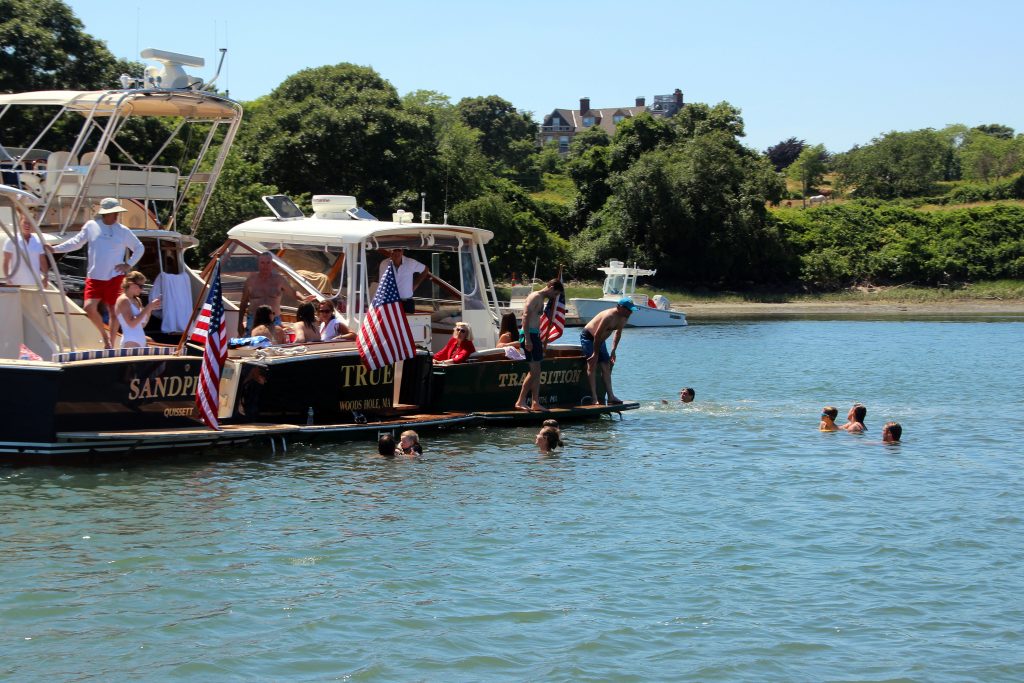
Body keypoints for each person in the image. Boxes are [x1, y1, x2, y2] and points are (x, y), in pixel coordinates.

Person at [47, 197, 144, 349]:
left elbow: (139, 247)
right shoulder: (91, 226)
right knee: (88, 308)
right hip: (94, 277)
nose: (116, 215)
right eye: (113, 213)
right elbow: (76, 242)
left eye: (117, 212)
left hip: (114, 277)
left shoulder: (123, 231)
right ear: (105, 214)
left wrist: (128, 264)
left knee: (113, 311)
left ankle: (110, 344)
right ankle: (104, 337)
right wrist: (54, 249)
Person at [514, 278, 565, 411]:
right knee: (534, 371)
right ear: (551, 287)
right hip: (529, 335)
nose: (554, 297)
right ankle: (520, 401)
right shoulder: (535, 296)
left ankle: (535, 402)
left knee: (537, 371)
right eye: (555, 294)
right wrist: (527, 339)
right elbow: (525, 316)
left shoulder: (541, 299)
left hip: (535, 335)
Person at [579, 297, 637, 406]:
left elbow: (618, 333)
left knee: (606, 366)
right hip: (589, 337)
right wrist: (595, 354)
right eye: (629, 310)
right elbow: (597, 335)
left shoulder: (624, 317)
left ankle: (611, 396)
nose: (631, 312)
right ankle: (594, 398)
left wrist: (613, 350)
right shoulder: (609, 316)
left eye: (631, 310)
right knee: (592, 364)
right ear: (620, 307)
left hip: (601, 340)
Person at [238, 251, 295, 336]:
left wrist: (303, 298)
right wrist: (239, 324)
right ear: (258, 264)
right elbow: (243, 303)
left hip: (274, 319)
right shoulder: (250, 281)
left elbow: (294, 293)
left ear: (272, 264)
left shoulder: (279, 280)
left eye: (268, 263)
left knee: (275, 342)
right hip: (254, 320)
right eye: (262, 263)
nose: (265, 266)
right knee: (252, 343)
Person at [114, 271, 161, 348]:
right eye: (141, 286)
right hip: (130, 340)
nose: (142, 289)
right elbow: (131, 323)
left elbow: (142, 324)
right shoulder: (123, 300)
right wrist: (148, 307)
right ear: (131, 284)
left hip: (140, 339)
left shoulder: (137, 300)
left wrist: (150, 309)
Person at [378, 248, 430, 313]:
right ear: (390, 251)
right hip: (389, 301)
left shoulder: (410, 263)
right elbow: (382, 283)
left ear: (402, 251)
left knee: (409, 319)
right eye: (394, 250)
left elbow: (425, 269)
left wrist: (415, 285)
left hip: (407, 302)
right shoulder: (384, 264)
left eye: (399, 250)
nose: (397, 253)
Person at [3, 211, 47, 286]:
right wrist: (7, 278)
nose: (27, 225)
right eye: (25, 222)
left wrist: (46, 276)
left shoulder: (38, 241)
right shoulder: (11, 240)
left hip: (35, 283)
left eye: (30, 223)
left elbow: (42, 260)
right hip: (15, 283)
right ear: (20, 223)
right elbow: (6, 261)